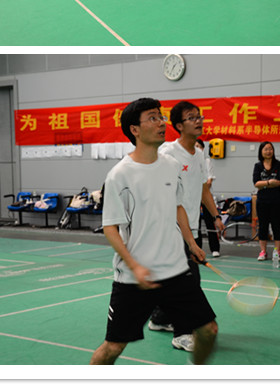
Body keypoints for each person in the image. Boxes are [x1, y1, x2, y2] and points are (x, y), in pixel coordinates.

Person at [90, 97, 218, 366]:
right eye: (152, 118)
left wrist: (191, 243)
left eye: (161, 117)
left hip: (175, 270)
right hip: (135, 278)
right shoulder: (119, 175)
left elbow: (178, 206)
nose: (161, 123)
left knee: (208, 330)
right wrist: (134, 266)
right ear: (134, 130)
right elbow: (110, 227)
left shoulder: (171, 165)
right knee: (113, 347)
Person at [148, 101, 224, 353]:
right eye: (192, 117)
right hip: (170, 228)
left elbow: (203, 189)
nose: (198, 120)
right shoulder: (168, 153)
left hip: (192, 226)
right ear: (179, 126)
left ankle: (160, 318)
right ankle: (182, 333)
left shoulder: (199, 154)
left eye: (199, 116)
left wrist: (215, 216)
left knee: (176, 279)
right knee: (188, 282)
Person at [252, 141, 280, 262]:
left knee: (276, 226)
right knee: (263, 226)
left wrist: (264, 184)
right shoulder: (258, 166)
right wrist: (269, 182)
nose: (268, 151)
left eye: (270, 149)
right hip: (262, 201)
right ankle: (263, 252)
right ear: (261, 151)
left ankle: (277, 252)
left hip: (276, 200)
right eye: (265, 149)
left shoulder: (279, 164)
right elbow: (256, 183)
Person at [196, 138, 221, 258]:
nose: (197, 149)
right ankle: (197, 248)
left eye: (199, 146)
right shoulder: (189, 162)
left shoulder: (207, 161)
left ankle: (215, 248)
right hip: (193, 198)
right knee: (195, 224)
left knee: (210, 222)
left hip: (206, 196)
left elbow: (209, 181)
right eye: (195, 146)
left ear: (203, 149)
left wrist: (201, 188)